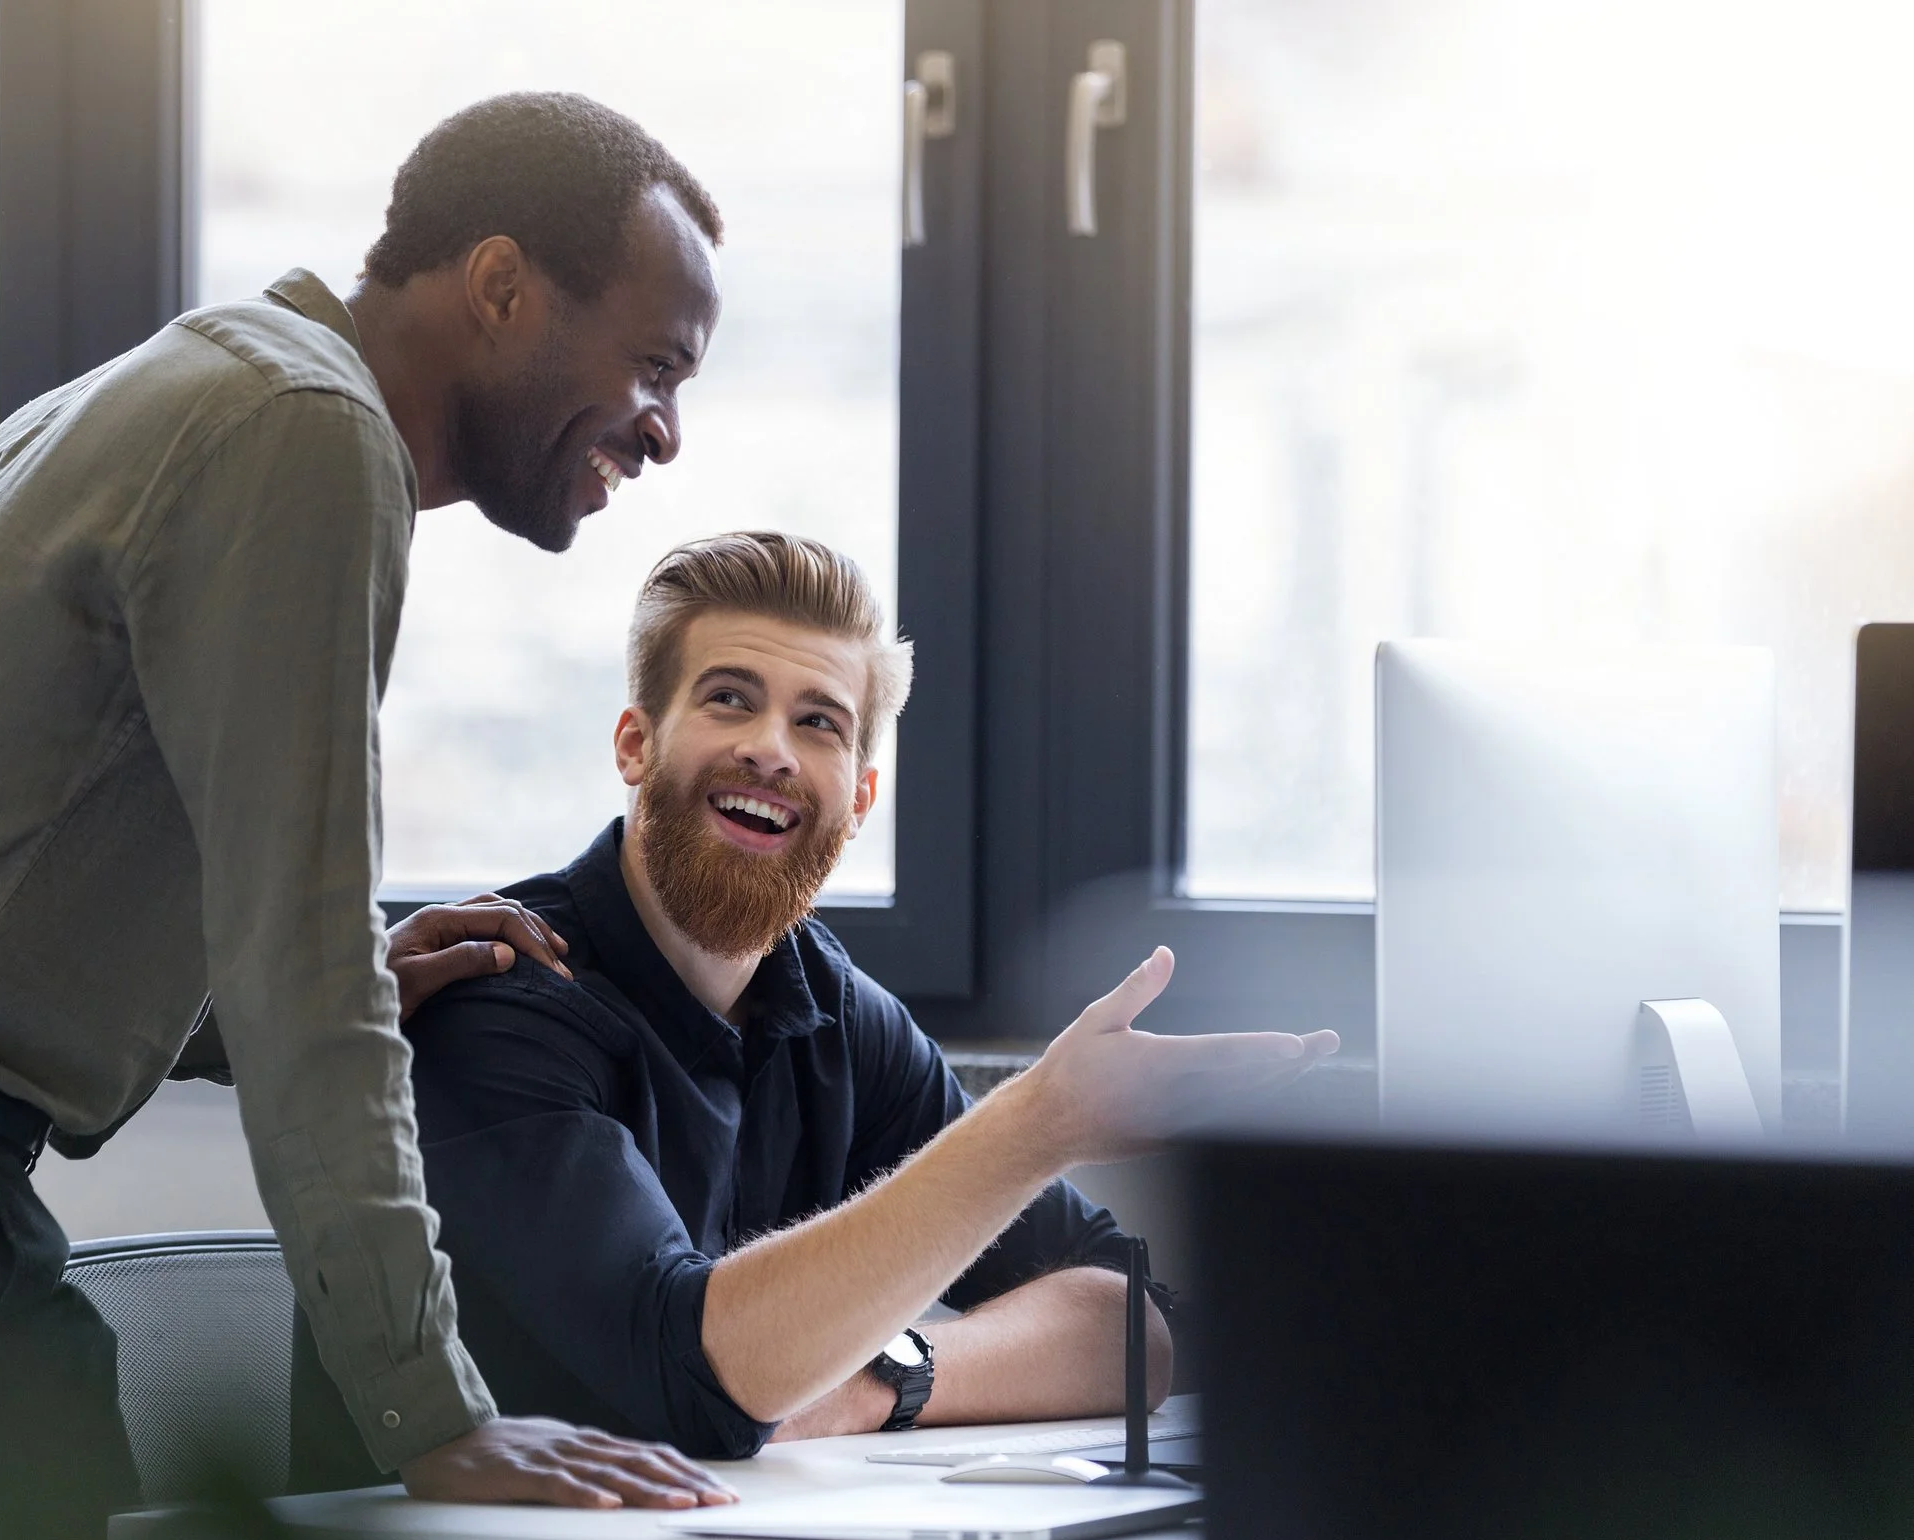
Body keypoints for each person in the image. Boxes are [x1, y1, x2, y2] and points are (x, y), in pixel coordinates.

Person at [0, 94, 735, 1540]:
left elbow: (24, 845)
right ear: (500, 288)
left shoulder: (213, 373)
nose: (666, 430)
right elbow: (302, 972)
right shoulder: (307, 435)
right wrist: (435, 1410)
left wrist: (316, 969)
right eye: (655, 364)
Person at [295, 532, 1337, 1477]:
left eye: (819, 721)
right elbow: (700, 1379)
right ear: (633, 744)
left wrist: (884, 1374)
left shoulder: (835, 1010)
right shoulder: (504, 992)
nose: (773, 750)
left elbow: (1140, 1323)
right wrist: (1040, 1120)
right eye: (728, 699)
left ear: (859, 796)